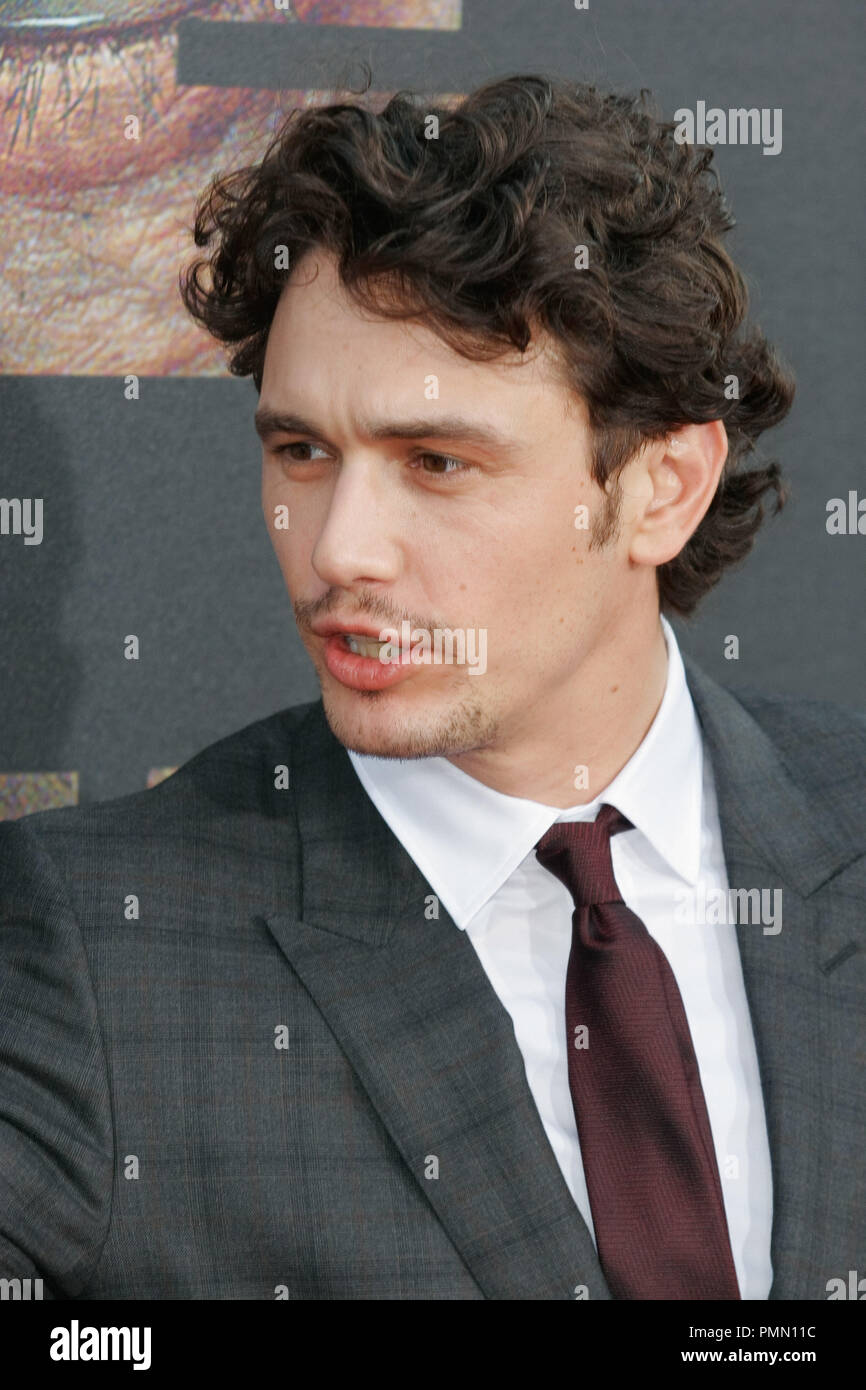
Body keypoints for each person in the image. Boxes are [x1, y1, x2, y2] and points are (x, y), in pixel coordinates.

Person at [1, 74, 862, 1301]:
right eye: (302, 450)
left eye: (437, 461)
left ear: (661, 487)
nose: (339, 546)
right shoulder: (97, 952)